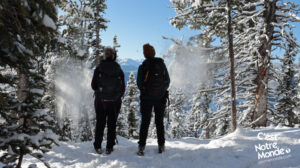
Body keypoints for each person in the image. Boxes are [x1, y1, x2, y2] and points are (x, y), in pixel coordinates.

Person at [137, 43, 170, 156]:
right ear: (154, 52)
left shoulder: (143, 66)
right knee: (159, 122)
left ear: (145, 54)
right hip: (160, 98)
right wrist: (161, 91)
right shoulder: (161, 64)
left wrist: (145, 91)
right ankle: (161, 145)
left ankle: (141, 147)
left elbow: (139, 83)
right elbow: (168, 81)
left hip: (146, 99)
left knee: (145, 122)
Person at [91, 47, 125, 154]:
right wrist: (116, 96)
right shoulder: (118, 69)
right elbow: (123, 87)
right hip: (114, 102)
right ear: (114, 55)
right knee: (112, 123)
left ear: (105, 55)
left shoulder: (99, 68)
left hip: (100, 101)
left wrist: (100, 92)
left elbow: (93, 85)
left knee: (100, 123)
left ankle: (97, 146)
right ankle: (109, 147)